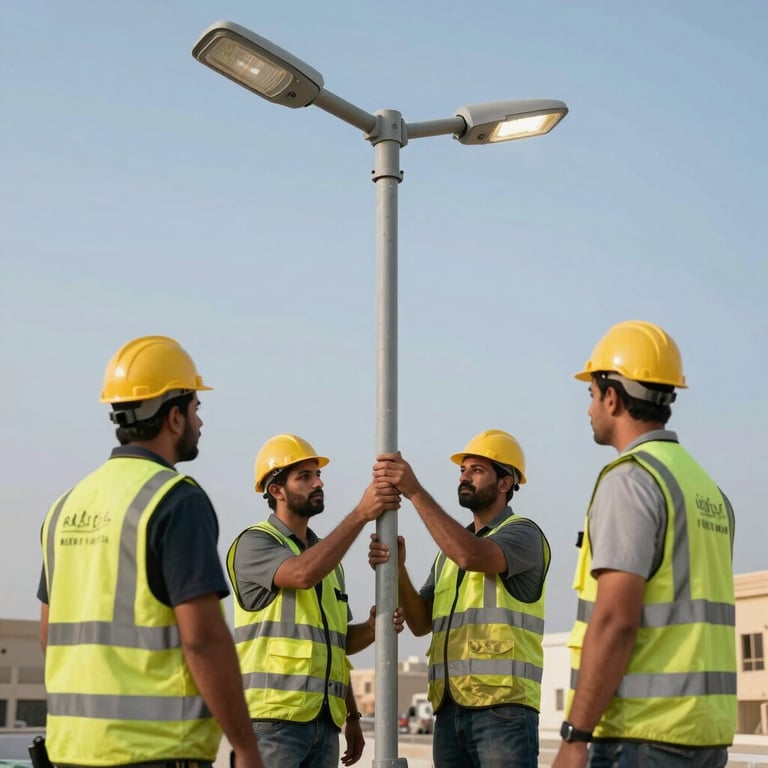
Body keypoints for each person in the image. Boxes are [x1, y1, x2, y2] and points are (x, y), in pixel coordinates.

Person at [38, 335, 264, 768]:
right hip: (156, 751)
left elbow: (50, 635)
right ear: (174, 418)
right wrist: (246, 747)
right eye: (196, 408)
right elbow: (203, 640)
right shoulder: (175, 499)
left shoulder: (64, 506)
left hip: (70, 751)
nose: (200, 421)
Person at [552, 320, 737, 768]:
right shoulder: (707, 489)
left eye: (591, 394)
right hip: (705, 736)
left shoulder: (631, 481)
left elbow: (615, 619)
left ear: (612, 397)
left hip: (641, 736)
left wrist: (575, 736)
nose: (589, 408)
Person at [369, 430, 551, 768]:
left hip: (503, 709)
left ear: (505, 482)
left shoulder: (522, 533)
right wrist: (398, 569)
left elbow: (472, 556)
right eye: (463, 470)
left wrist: (414, 491)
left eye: (477, 470)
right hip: (450, 709)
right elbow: (420, 623)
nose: (464, 477)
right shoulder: (448, 554)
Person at [227, 433, 404, 768]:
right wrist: (361, 514)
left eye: (318, 475)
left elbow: (336, 646)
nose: (318, 483)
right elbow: (301, 574)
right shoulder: (255, 543)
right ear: (276, 490)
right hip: (271, 723)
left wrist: (373, 628)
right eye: (304, 476)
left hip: (323, 725)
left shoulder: (327, 559)